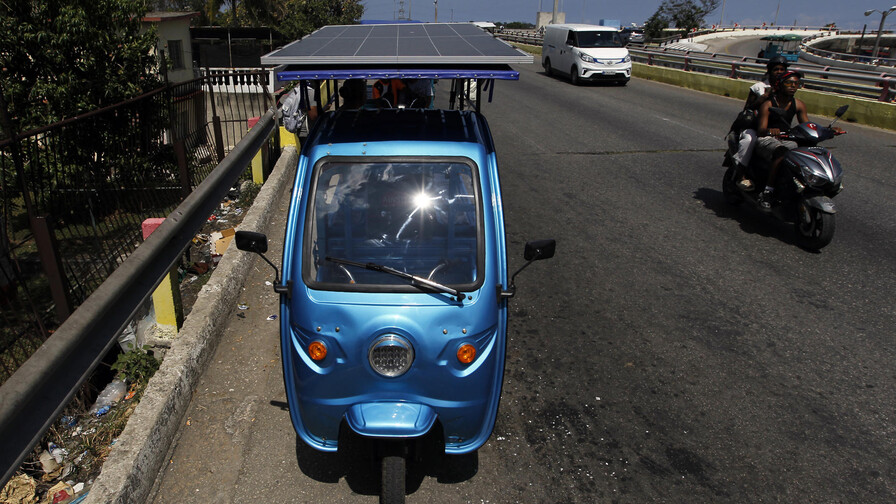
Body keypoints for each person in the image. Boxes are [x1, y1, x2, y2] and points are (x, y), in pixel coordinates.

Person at [729, 55, 789, 191]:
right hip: (755, 127)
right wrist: (762, 99)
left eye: (782, 69)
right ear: (769, 71)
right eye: (776, 69)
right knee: (749, 141)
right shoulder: (759, 87)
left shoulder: (787, 89)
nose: (779, 72)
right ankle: (741, 175)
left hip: (775, 128)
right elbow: (747, 109)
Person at [754, 70, 810, 211]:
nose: (793, 86)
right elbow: (761, 129)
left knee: (803, 153)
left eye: (796, 83)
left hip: (786, 138)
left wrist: (827, 130)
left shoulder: (799, 104)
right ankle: (768, 191)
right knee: (781, 153)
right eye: (789, 83)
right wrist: (770, 131)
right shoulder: (768, 104)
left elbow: (807, 126)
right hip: (766, 138)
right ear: (780, 84)